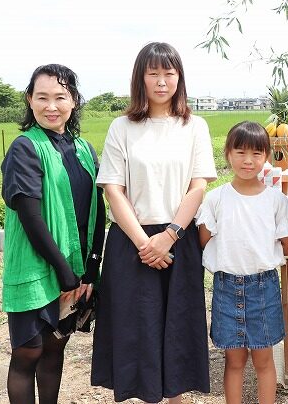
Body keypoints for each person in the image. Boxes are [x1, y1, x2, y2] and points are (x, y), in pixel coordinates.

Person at [91, 42, 217, 403]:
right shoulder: (122, 127)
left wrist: (170, 235)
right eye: (153, 73)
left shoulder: (194, 126)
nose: (162, 81)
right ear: (140, 78)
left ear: (179, 77)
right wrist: (145, 243)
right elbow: (113, 189)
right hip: (132, 242)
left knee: (177, 331)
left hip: (178, 239)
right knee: (137, 332)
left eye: (169, 73)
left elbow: (198, 186)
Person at [1, 64, 105, 404]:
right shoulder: (25, 148)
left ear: (73, 100)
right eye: (42, 97)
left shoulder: (84, 149)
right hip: (37, 267)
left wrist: (91, 268)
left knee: (55, 345)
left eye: (60, 97)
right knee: (28, 352)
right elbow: (29, 216)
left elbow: (98, 209)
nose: (51, 106)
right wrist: (63, 272)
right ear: (29, 100)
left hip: (74, 268)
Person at [196, 121, 288, 404]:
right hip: (226, 287)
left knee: (264, 360)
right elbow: (203, 239)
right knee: (234, 361)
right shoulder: (215, 198)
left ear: (267, 156)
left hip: (264, 287)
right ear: (228, 154)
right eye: (240, 152)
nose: (248, 160)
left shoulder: (276, 200)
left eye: (256, 153)